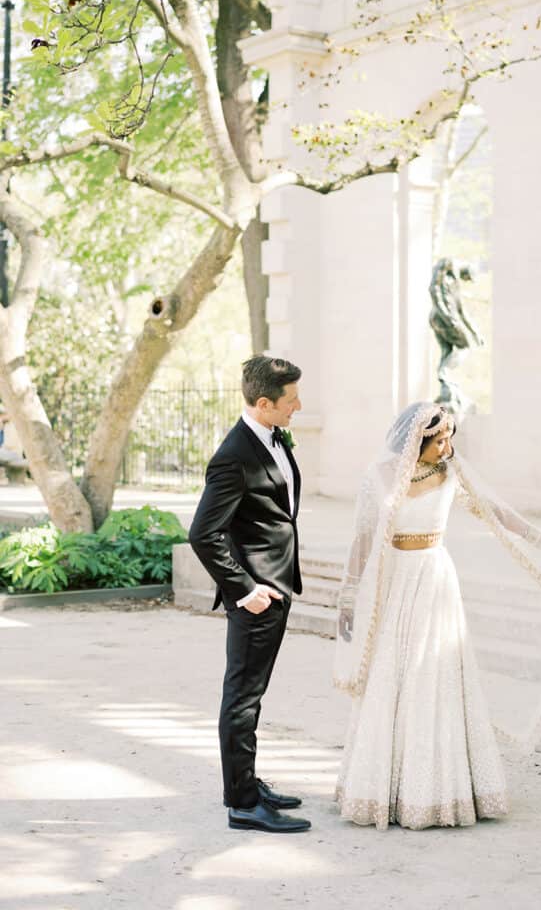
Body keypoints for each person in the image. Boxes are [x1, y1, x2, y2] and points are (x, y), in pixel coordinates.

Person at [334, 401, 541, 830]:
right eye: (440, 439)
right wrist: (347, 598)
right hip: (400, 588)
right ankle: (391, 790)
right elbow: (362, 540)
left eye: (450, 437)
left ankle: (445, 789)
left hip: (435, 582)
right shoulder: (380, 477)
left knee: (437, 677)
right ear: (417, 439)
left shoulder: (450, 473)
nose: (447, 445)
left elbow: (497, 511)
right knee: (396, 677)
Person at [189, 355, 311, 834]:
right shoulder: (234, 456)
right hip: (257, 596)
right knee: (242, 698)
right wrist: (245, 589)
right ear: (264, 404)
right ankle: (242, 804)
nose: (298, 406)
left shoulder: (272, 437)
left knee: (251, 696)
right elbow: (203, 534)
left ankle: (247, 783)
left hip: (277, 586)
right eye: (291, 400)